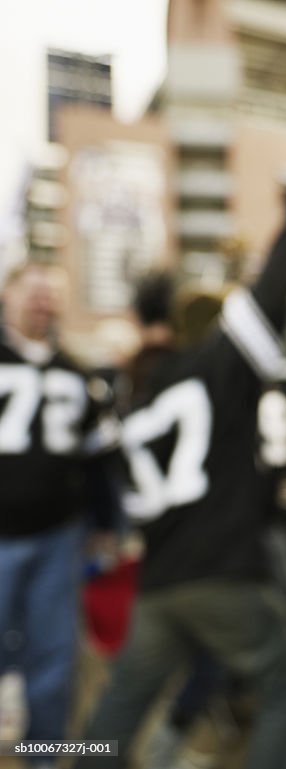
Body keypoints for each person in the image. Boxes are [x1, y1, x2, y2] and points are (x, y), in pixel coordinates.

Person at [75, 184, 286, 769]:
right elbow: (268, 303)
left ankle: (53, 753)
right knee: (285, 692)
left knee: (115, 713)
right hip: (224, 570)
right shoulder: (207, 368)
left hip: (160, 581)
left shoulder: (128, 395)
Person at [0, 261, 119, 759]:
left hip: (57, 534)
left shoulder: (77, 372)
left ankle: (42, 754)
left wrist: (108, 524)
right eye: (33, 291)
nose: (41, 302)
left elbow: (99, 459)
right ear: (7, 295)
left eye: (51, 294)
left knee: (54, 657)